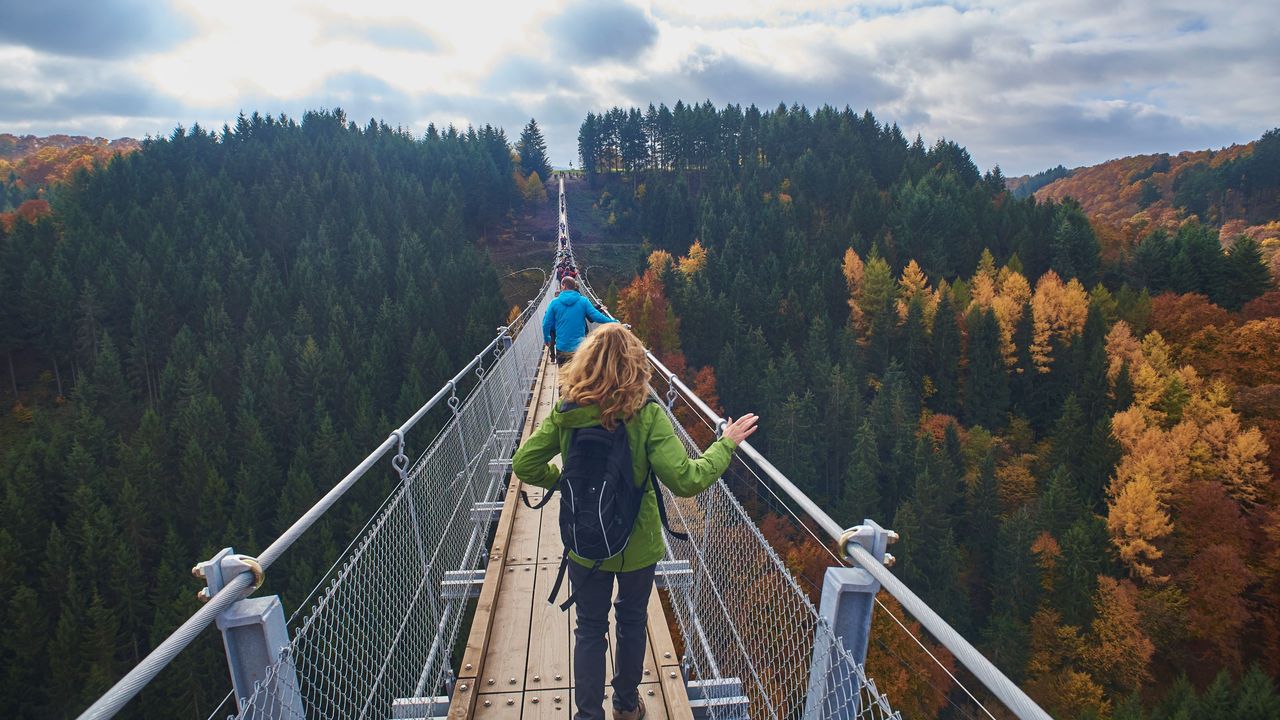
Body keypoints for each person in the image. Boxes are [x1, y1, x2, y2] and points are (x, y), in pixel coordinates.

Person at [512, 324, 759, 720]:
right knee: (631, 619)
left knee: (590, 628)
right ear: (635, 366)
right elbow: (686, 479)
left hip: (583, 539)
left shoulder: (566, 412)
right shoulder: (646, 415)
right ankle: (626, 705)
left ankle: (588, 715)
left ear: (585, 363)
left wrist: (563, 484)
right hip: (637, 543)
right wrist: (725, 444)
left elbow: (523, 463)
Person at [543, 276, 614, 364]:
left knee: (564, 376)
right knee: (578, 376)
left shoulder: (554, 303)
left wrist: (547, 339)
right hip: (579, 348)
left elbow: (546, 323)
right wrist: (614, 322)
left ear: (564, 286)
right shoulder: (583, 301)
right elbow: (597, 316)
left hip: (562, 347)